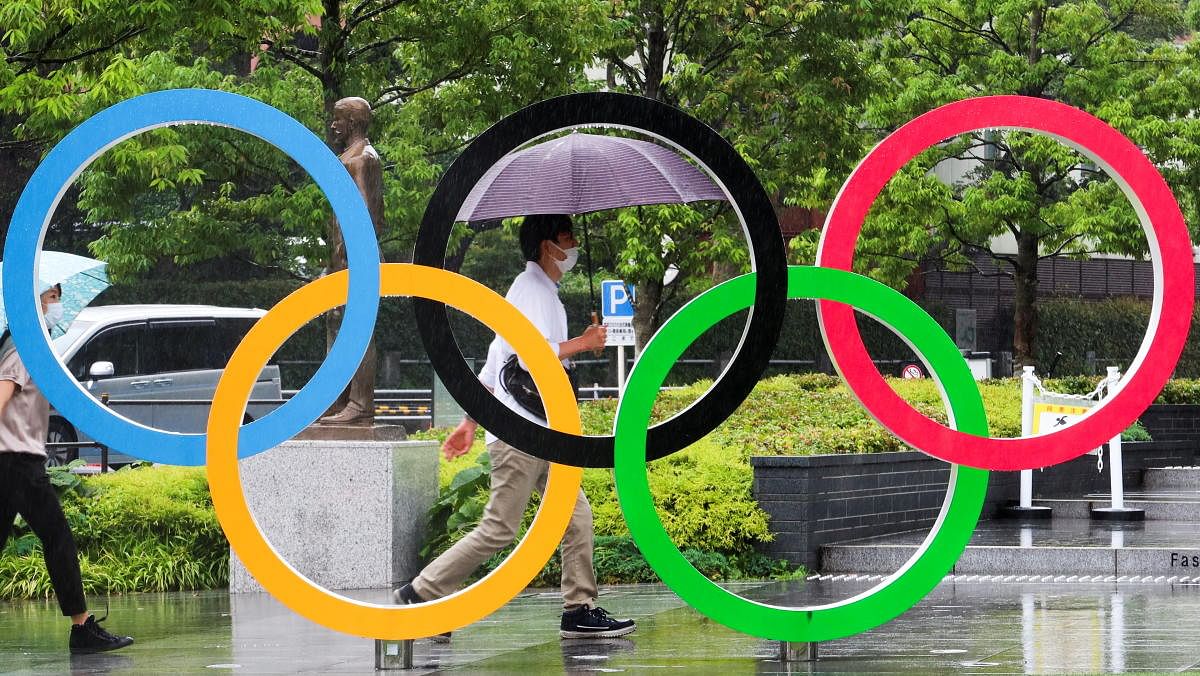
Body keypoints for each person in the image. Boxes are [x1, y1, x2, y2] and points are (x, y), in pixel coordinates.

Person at [395, 214, 636, 640]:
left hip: (540, 429)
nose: (574, 245)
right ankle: (421, 593)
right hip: (521, 433)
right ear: (548, 246)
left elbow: (495, 360)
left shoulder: (540, 292)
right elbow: (529, 357)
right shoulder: (531, 290)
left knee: (576, 515)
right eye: (568, 237)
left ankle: (579, 608)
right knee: (501, 528)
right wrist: (585, 343)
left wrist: (470, 421)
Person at [0, 283, 133, 654]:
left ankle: (82, 628)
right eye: (52, 297)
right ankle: (81, 628)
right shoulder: (20, 349)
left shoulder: (28, 348)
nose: (57, 305)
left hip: (13, 459)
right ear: (32, 304)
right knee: (58, 537)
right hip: (16, 461)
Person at [319, 96, 384, 425]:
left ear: (354, 123)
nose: (334, 125)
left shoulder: (361, 159)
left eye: (339, 119)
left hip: (353, 259)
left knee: (357, 328)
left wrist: (347, 259)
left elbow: (364, 216)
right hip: (343, 258)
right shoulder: (353, 156)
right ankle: (338, 398)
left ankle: (359, 403)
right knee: (337, 324)